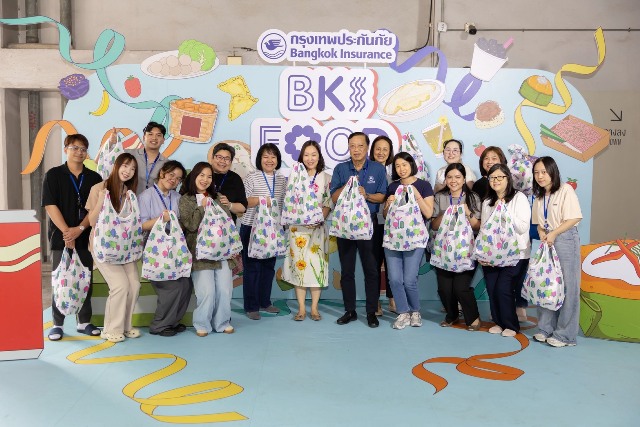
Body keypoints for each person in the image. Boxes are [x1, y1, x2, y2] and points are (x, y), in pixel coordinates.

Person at [43, 134, 103, 341]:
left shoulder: (94, 178)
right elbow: (50, 205)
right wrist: (67, 232)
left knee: (85, 279)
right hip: (60, 237)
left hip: (85, 236)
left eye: (83, 149)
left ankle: (83, 321)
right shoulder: (53, 175)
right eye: (75, 148)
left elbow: (96, 209)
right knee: (60, 279)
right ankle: (57, 324)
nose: (79, 152)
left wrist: (79, 229)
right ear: (65, 149)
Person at [330, 132, 388, 328]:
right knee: (347, 270)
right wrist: (347, 186)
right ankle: (350, 311)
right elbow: (334, 197)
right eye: (352, 146)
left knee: (371, 269)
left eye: (360, 146)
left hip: (368, 224)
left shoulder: (377, 168)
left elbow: (382, 196)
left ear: (367, 148)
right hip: (345, 225)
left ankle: (371, 312)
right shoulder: (340, 169)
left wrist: (367, 194)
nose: (356, 150)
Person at [86, 153, 141, 343]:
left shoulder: (129, 193)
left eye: (132, 169)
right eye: (125, 166)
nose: (128, 171)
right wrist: (102, 199)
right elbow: (92, 221)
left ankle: (125, 326)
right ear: (116, 166)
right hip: (104, 247)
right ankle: (111, 329)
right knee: (120, 286)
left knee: (134, 285)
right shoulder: (98, 188)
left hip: (124, 247)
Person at [531, 156, 582, 347]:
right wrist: (543, 233)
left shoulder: (565, 189)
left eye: (544, 172)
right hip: (548, 240)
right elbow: (538, 223)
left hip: (565, 238)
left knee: (568, 287)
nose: (540, 176)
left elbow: (574, 218)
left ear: (553, 171)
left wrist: (553, 233)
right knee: (547, 284)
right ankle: (545, 328)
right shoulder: (539, 195)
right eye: (536, 173)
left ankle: (565, 335)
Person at [179, 162, 234, 336]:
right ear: (194, 176)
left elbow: (227, 221)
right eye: (201, 175)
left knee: (225, 289)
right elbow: (190, 225)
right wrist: (202, 207)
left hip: (221, 251)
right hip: (199, 253)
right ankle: (202, 324)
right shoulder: (186, 199)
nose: (205, 179)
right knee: (206, 291)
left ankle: (223, 322)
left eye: (209, 176)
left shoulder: (217, 197)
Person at [138, 160, 191, 337]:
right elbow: (142, 225)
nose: (174, 180)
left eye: (178, 178)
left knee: (185, 284)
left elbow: (181, 223)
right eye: (171, 175)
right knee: (171, 286)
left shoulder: (177, 197)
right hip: (155, 247)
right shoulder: (146, 196)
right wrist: (163, 219)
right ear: (162, 173)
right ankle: (159, 325)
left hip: (174, 246)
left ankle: (172, 322)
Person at [478, 164, 531, 337]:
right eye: (492, 177)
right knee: (492, 287)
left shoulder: (518, 198)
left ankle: (511, 325)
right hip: (492, 253)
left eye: (500, 177)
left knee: (503, 287)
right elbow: (484, 230)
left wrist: (504, 209)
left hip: (516, 253)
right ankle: (499, 322)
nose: (495, 180)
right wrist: (481, 253)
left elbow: (523, 227)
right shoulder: (487, 202)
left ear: (508, 178)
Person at [383, 152, 434, 330]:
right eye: (397, 166)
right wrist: (388, 204)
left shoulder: (424, 185)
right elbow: (386, 215)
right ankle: (403, 312)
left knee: (409, 279)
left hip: (415, 239)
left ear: (412, 165)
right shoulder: (393, 187)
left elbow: (428, 213)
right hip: (393, 239)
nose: (401, 169)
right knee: (395, 280)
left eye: (404, 164)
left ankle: (415, 311)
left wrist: (415, 194)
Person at [282, 141, 332, 321]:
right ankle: (302, 309)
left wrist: (319, 219)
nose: (310, 158)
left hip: (317, 230)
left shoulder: (326, 178)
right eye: (306, 155)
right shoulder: (294, 176)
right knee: (299, 268)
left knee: (316, 268)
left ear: (319, 157)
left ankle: (315, 309)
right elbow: (288, 201)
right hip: (297, 231)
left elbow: (328, 203)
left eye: (314, 154)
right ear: (301, 157)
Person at [431, 163, 482, 331]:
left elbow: (477, 226)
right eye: (450, 177)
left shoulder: (473, 197)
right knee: (444, 289)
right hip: (444, 250)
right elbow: (434, 226)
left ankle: (473, 317)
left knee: (461, 287)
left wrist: (467, 212)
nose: (453, 181)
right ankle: (452, 315)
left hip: (466, 251)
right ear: (445, 179)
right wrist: (445, 213)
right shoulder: (440, 197)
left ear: (464, 179)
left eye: (458, 177)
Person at [240, 143, 287, 320]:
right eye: (265, 156)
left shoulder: (282, 180)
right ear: (259, 159)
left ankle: (265, 302)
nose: (269, 160)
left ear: (278, 160)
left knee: (268, 267)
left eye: (273, 157)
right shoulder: (251, 177)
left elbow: (283, 204)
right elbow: (243, 201)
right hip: (251, 227)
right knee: (252, 268)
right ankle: (251, 306)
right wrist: (262, 199)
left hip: (273, 229)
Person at [369, 135, 396, 316]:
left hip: (392, 226)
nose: (381, 152)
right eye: (378, 148)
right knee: (374, 263)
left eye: (385, 149)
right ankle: (375, 301)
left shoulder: (395, 173)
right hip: (372, 223)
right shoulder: (367, 172)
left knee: (392, 264)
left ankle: (393, 299)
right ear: (372, 151)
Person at [123, 122, 168, 195]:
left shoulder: (166, 164)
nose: (154, 138)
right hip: (128, 199)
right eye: (150, 134)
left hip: (152, 201)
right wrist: (112, 143)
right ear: (144, 137)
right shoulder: (128, 154)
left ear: (163, 140)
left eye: (158, 135)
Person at [209, 143, 248, 222]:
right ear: (212, 157)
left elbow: (243, 207)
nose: (222, 161)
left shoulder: (235, 178)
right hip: (202, 225)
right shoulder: (201, 173)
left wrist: (229, 205)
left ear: (231, 162)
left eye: (227, 158)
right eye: (219, 157)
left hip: (227, 226)